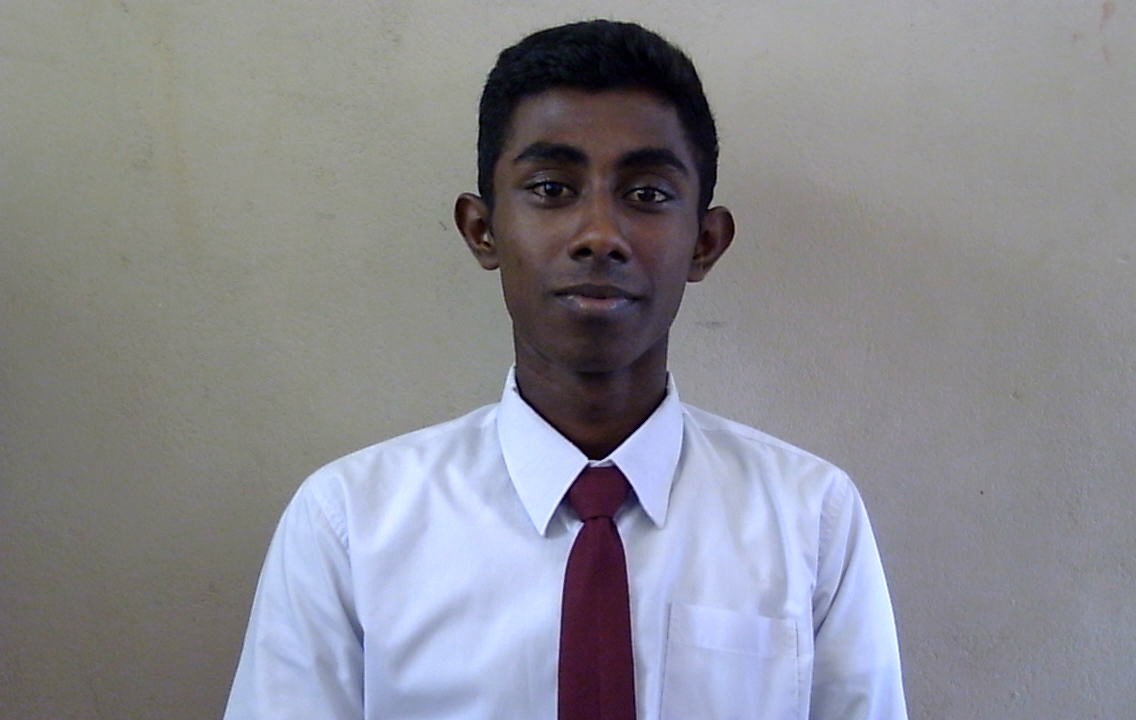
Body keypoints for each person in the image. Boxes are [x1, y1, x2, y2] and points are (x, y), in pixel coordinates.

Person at [224, 19, 907, 720]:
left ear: (704, 243)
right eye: (551, 188)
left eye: (647, 194)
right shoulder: (349, 526)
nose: (600, 236)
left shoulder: (811, 520)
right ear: (482, 230)